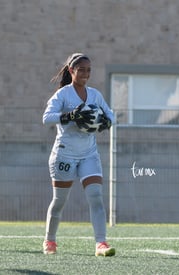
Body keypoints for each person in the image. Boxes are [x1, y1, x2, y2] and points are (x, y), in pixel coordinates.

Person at [42, 53, 115, 256]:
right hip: (65, 155)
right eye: (81, 69)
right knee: (59, 201)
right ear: (71, 71)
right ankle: (50, 241)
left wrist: (105, 122)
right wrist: (70, 116)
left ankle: (101, 243)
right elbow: (47, 118)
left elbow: (110, 115)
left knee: (96, 197)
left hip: (89, 154)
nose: (85, 73)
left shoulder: (95, 95)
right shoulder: (62, 95)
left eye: (89, 70)